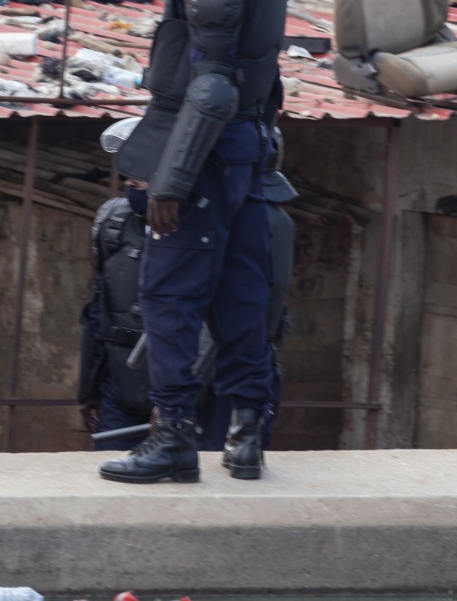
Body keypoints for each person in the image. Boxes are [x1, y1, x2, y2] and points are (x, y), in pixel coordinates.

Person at [100, 0, 288, 483]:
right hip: (244, 153)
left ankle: (173, 433)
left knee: (169, 295)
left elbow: (210, 88)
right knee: (240, 296)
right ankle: (245, 436)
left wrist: (171, 182)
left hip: (205, 154)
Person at [79, 120, 296, 453]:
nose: (132, 183)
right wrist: (90, 387)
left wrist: (175, 405)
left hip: (212, 388)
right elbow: (100, 311)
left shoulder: (260, 221)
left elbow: (229, 315)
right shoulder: (117, 222)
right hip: (130, 383)